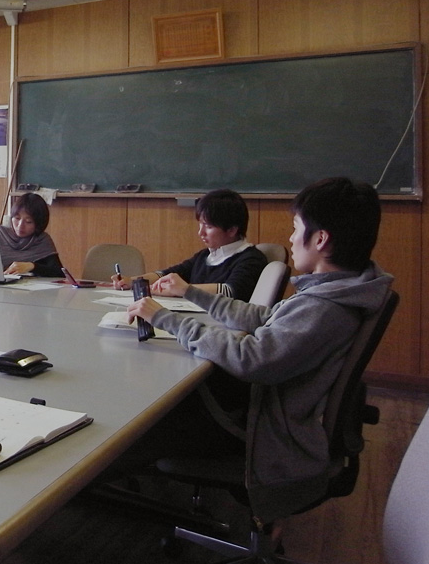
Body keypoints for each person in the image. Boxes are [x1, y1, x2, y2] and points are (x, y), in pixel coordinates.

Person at [119, 177, 393, 522]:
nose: (291, 238)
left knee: (137, 422)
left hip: (260, 429)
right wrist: (192, 294)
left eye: (296, 229)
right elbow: (263, 317)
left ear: (320, 239)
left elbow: (251, 358)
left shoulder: (324, 308)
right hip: (261, 407)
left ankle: (88, 494)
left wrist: (166, 319)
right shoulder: (337, 290)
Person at [111, 188, 267, 301]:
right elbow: (168, 274)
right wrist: (134, 281)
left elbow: (231, 291)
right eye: (200, 224)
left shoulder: (251, 259)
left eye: (208, 226)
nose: (201, 232)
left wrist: (181, 289)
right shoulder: (205, 256)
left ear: (232, 230)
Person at [0, 193, 64, 277]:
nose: (20, 226)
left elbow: (59, 273)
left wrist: (32, 266)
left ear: (39, 223)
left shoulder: (42, 240)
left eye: (28, 222)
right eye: (17, 218)